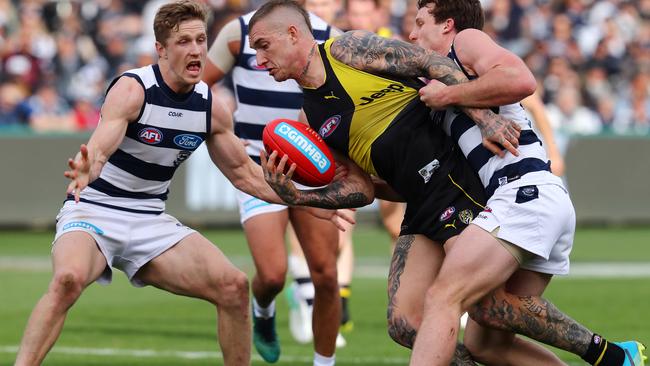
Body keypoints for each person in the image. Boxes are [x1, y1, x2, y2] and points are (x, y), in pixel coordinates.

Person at [249, 1, 646, 365]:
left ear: (293, 34)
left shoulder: (345, 50)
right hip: (418, 204)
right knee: (405, 323)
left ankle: (606, 355)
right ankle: (605, 356)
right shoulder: (310, 114)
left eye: (264, 45)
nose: (259, 59)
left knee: (481, 306)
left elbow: (430, 62)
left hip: (455, 182)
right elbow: (363, 187)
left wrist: (481, 115)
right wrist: (299, 195)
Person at [13, 2, 349, 365]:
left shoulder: (211, 107)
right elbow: (98, 150)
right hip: (95, 211)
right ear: (161, 49)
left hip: (150, 220)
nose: (196, 50)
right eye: (184, 41)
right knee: (67, 279)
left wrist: (313, 201)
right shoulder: (134, 89)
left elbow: (246, 176)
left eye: (201, 40)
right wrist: (87, 167)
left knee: (234, 287)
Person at [410, 0, 646, 365]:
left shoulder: (465, 42)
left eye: (420, 21)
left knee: (442, 296)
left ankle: (609, 356)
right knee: (487, 343)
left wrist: (447, 95)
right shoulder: (439, 81)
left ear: (447, 25)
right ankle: (615, 358)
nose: (412, 33)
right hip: (538, 200)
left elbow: (521, 80)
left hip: (523, 195)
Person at [202, 5, 344, 365]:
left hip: (311, 170)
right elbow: (199, 86)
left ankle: (323, 363)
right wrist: (218, 131)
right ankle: (263, 311)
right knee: (272, 274)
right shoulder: (239, 32)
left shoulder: (333, 39)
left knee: (327, 274)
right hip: (256, 167)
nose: (263, 56)